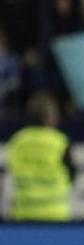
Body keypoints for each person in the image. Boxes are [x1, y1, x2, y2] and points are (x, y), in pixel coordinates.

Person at [6, 90, 73, 221]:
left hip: (24, 212)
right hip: (55, 212)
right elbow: (72, 174)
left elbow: (11, 170)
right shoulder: (60, 141)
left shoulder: (17, 141)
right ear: (49, 116)